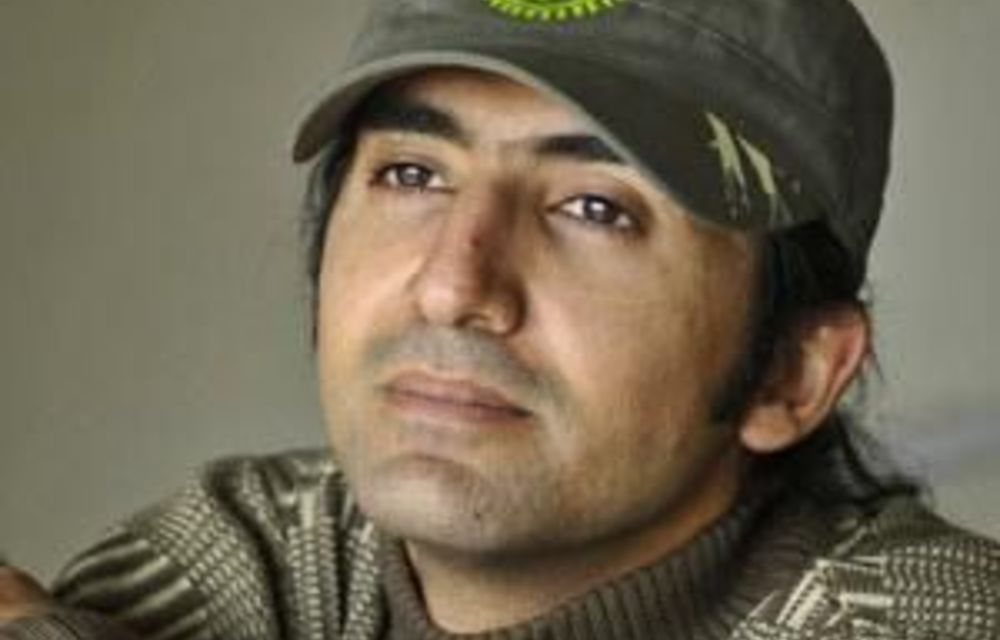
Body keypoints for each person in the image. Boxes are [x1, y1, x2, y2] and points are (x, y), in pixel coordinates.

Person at [2, 0, 998, 638]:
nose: (453, 285)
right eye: (412, 174)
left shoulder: (926, 618)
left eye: (594, 208)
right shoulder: (260, 546)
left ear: (792, 373)